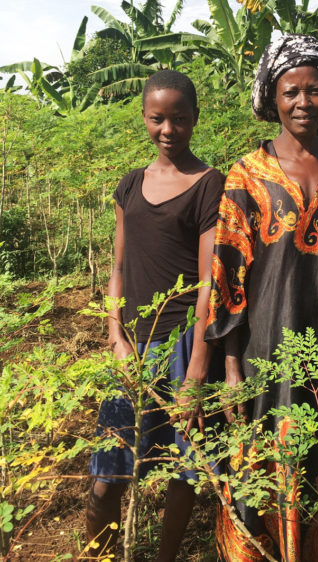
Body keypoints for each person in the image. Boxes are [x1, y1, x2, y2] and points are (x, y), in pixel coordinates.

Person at [205, 35, 318, 561]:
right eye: (291, 91)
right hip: (267, 349)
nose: (303, 102)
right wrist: (231, 360)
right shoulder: (247, 175)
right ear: (272, 97)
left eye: (315, 89)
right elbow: (227, 272)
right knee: (268, 453)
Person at [86, 70, 225, 561]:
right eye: (157, 119)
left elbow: (211, 281)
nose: (168, 130)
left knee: (181, 474)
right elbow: (119, 266)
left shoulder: (209, 185)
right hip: (133, 348)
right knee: (107, 476)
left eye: (179, 119)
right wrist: (115, 337)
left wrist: (196, 373)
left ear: (194, 119)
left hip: (184, 344)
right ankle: (98, 554)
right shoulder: (129, 186)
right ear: (144, 117)